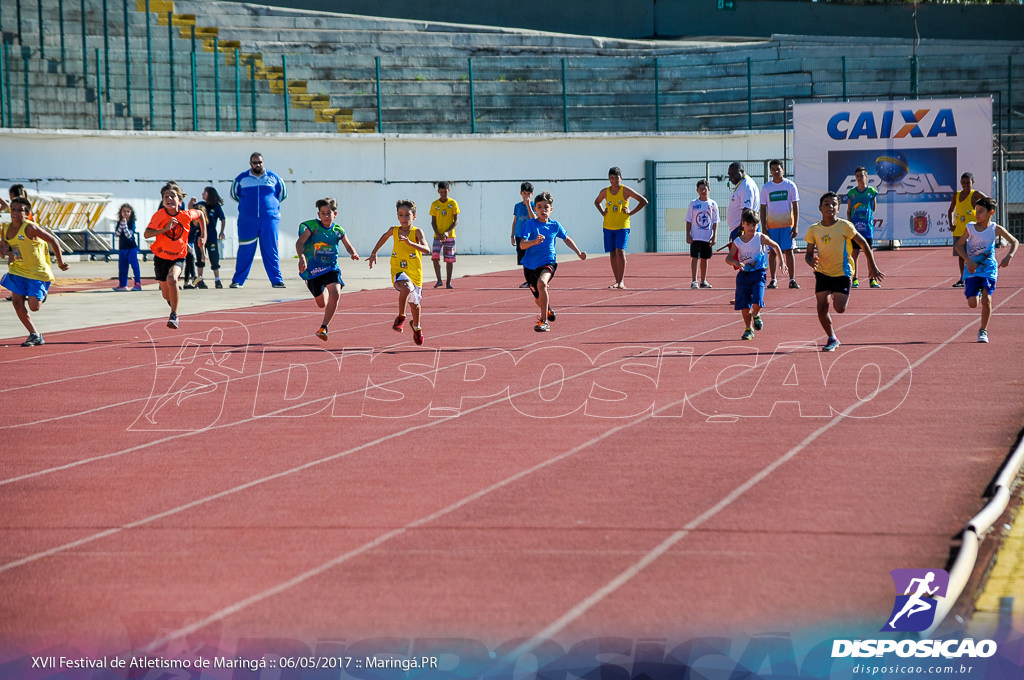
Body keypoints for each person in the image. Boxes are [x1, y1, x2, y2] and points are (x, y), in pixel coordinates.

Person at [804, 192, 885, 352]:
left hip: (842, 272)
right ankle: (832, 337)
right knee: (821, 308)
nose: (830, 207)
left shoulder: (845, 226)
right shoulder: (813, 229)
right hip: (822, 272)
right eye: (826, 204)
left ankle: (836, 292)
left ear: (838, 208)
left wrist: (872, 266)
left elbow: (863, 244)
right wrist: (810, 261)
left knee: (839, 308)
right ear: (820, 208)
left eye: (834, 204)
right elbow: (808, 254)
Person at [0, 196, 69, 346]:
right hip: (18, 270)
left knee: (34, 307)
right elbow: (5, 244)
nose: (16, 213)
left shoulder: (30, 228)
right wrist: (3, 249)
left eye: (21, 210)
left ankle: (40, 294)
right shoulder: (5, 229)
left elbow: (54, 241)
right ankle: (34, 334)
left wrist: (61, 263)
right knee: (17, 303)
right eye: (13, 209)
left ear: (27, 213)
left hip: (37, 272)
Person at [520, 191, 587, 332]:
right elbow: (522, 245)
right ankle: (548, 309)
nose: (543, 210)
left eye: (546, 207)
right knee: (538, 299)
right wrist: (534, 241)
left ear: (551, 209)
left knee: (542, 284)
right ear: (535, 209)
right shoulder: (529, 224)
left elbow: (566, 239)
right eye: (539, 207)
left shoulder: (555, 225)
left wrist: (579, 252)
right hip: (530, 266)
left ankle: (543, 322)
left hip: (548, 262)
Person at [953, 196, 1018, 343]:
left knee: (987, 300)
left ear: (991, 213)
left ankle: (983, 331)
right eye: (976, 211)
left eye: (981, 211)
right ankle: (978, 293)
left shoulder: (995, 229)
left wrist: (1009, 257)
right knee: (972, 303)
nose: (977, 214)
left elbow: (1014, 241)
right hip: (971, 269)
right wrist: (968, 260)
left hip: (989, 269)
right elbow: (958, 245)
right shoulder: (970, 228)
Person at [144, 182, 207, 330]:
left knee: (172, 279)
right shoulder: (159, 216)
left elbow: (201, 214)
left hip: (178, 256)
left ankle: (174, 315)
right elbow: (147, 234)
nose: (169, 199)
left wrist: (203, 236)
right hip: (161, 257)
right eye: (166, 196)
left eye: (173, 196)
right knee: (166, 294)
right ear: (163, 201)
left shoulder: (186, 215)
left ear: (180, 200)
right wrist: (165, 229)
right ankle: (171, 302)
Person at [296, 198, 360, 342]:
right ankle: (319, 287)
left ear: (335, 214)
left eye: (328, 213)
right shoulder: (312, 228)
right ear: (319, 215)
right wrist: (301, 258)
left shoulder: (338, 230)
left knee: (336, 293)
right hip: (312, 270)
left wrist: (353, 253)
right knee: (321, 304)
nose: (326, 216)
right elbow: (300, 242)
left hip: (331, 267)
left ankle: (324, 327)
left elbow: (348, 245)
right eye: (323, 213)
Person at [368, 199, 431, 345]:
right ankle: (401, 317)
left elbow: (427, 250)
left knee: (415, 306)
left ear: (414, 216)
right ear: (397, 216)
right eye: (400, 215)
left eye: (407, 215)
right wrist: (374, 252)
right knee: (406, 287)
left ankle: (416, 327)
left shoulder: (417, 232)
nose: (404, 218)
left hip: (415, 272)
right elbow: (384, 237)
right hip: (398, 269)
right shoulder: (394, 230)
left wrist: (411, 243)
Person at [725, 209, 785, 340]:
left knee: (757, 301)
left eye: (754, 225)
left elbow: (776, 246)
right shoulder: (738, 242)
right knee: (745, 305)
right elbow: (728, 258)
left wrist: (782, 261)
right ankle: (748, 329)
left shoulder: (760, 237)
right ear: (743, 224)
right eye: (749, 224)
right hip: (743, 276)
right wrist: (736, 262)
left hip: (758, 274)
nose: (751, 227)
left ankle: (756, 315)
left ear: (757, 225)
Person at [230, 152, 287, 288]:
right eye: (255, 162)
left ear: (263, 162)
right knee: (245, 250)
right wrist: (249, 208)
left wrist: (269, 208)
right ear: (250, 164)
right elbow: (234, 195)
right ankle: (238, 280)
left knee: (271, 248)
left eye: (260, 162)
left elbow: (282, 194)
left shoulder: (274, 177)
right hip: (247, 221)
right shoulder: (241, 179)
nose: (258, 165)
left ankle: (277, 280)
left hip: (269, 220)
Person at [593, 166, 647, 289]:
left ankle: (621, 281)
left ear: (621, 178)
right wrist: (603, 212)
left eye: (616, 178)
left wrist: (630, 212)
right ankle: (616, 281)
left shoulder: (625, 190)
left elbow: (643, 201)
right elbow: (597, 202)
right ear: (609, 179)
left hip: (622, 226)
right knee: (612, 253)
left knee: (620, 251)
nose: (614, 181)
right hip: (608, 226)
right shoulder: (605, 191)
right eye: (611, 178)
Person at [759, 159, 800, 290]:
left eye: (778, 169)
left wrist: (796, 225)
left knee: (789, 251)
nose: (776, 172)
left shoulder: (790, 185)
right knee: (773, 252)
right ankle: (773, 279)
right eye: (773, 169)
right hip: (772, 225)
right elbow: (763, 208)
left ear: (783, 169)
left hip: (787, 224)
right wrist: (764, 226)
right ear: (770, 171)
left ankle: (792, 279)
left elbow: (795, 206)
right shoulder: (766, 187)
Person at [947, 172, 988, 288]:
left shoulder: (975, 194)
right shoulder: (957, 195)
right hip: (959, 230)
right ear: (960, 183)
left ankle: (978, 278)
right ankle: (962, 279)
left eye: (968, 183)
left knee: (975, 254)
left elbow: (990, 202)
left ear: (972, 183)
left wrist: (983, 218)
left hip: (972, 231)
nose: (965, 185)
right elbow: (950, 210)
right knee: (961, 255)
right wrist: (951, 224)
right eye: (963, 183)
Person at [846, 166, 879, 288]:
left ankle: (872, 279)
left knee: (869, 253)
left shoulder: (871, 192)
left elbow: (874, 208)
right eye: (858, 176)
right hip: (855, 230)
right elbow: (849, 210)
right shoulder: (852, 193)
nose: (860, 178)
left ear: (866, 177)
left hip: (867, 229)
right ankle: (855, 279)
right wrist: (851, 225)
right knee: (854, 254)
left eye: (862, 175)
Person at [189, 186, 227, 289]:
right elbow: (190, 209)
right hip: (199, 236)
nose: (202, 194)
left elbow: (223, 219)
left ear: (209, 194)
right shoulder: (201, 205)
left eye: (204, 192)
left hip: (211, 236)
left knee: (214, 258)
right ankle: (200, 280)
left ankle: (217, 280)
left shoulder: (216, 207)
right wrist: (191, 202)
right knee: (200, 259)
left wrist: (222, 231)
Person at [686, 179, 718, 289]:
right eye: (701, 189)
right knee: (695, 257)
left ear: (709, 189)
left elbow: (715, 221)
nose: (703, 191)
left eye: (705, 188)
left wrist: (714, 236)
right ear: (697, 190)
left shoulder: (713, 204)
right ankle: (694, 280)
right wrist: (688, 234)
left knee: (705, 258)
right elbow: (688, 220)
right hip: (695, 236)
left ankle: (703, 280)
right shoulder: (693, 204)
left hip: (707, 237)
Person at [429, 181, 459, 289]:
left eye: (445, 192)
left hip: (450, 236)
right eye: (441, 192)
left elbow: (456, 221)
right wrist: (438, 234)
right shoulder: (435, 204)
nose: (443, 194)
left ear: (448, 191)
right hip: (437, 236)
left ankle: (448, 282)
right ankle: (439, 280)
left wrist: (447, 232)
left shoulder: (453, 203)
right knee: (435, 257)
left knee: (449, 259)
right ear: (438, 192)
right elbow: (433, 222)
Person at [112, 203, 142, 291]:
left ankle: (137, 283)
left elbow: (128, 235)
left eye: (128, 211)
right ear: (121, 212)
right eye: (124, 211)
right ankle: (122, 284)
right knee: (122, 266)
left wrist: (124, 225)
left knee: (134, 265)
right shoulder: (119, 223)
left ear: (131, 213)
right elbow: (116, 234)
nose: (126, 213)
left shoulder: (131, 223)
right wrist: (121, 225)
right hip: (122, 248)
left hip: (131, 247)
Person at [510, 181, 535, 288]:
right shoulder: (517, 206)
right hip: (519, 235)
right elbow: (515, 221)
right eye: (524, 193)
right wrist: (512, 235)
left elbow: (533, 218)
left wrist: (529, 204)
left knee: (531, 257)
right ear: (521, 193)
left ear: (532, 194)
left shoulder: (534, 205)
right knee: (523, 260)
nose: (526, 196)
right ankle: (528, 280)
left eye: (528, 193)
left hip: (530, 236)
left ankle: (534, 279)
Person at [181, 201, 206, 290]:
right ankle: (194, 277)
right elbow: (181, 234)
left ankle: (187, 282)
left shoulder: (199, 225)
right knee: (190, 257)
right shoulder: (188, 222)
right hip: (181, 242)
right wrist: (186, 244)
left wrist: (203, 254)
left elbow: (201, 240)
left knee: (189, 259)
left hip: (190, 244)